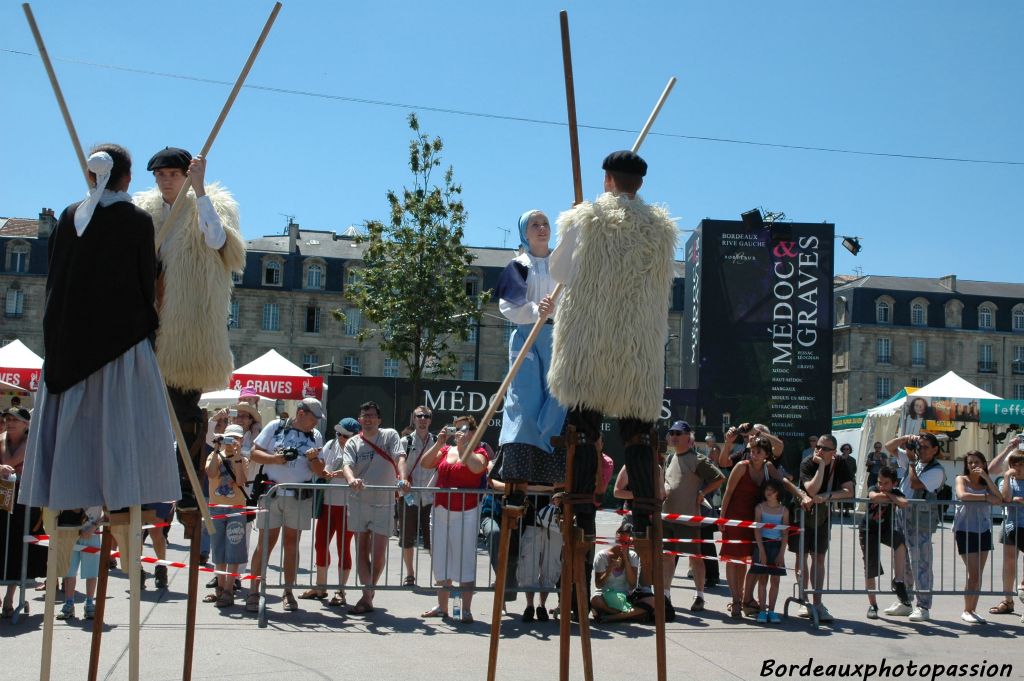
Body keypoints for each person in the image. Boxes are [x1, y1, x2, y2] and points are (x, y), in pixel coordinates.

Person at [547, 150, 677, 628]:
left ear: (606, 179)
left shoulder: (586, 217)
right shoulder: (661, 229)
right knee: (641, 441)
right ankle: (646, 576)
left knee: (582, 439)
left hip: (589, 347)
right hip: (637, 354)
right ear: (639, 184)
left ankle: (578, 585)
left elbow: (560, 272)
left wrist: (583, 228)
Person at [19, 144, 180, 523]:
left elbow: (54, 280)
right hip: (121, 342)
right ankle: (122, 496)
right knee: (120, 421)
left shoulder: (71, 215)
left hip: (69, 344)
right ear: (127, 177)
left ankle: (71, 497)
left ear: (91, 176)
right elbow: (144, 284)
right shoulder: (137, 220)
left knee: (77, 424)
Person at [133, 146, 245, 519]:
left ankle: (186, 480)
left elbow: (218, 242)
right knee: (144, 409)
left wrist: (200, 192)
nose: (166, 180)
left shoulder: (207, 206)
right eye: (160, 175)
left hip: (188, 324)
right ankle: (144, 481)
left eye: (173, 174)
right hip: (148, 317)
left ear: (186, 175)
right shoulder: (142, 213)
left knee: (183, 406)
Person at [495, 209, 568, 487]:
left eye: (545, 223)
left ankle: (552, 450)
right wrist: (537, 309)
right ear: (525, 232)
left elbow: (575, 293)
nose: (541, 228)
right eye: (535, 224)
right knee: (524, 398)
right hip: (528, 336)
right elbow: (508, 306)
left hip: (557, 335)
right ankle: (521, 457)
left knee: (558, 394)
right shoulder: (518, 265)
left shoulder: (562, 262)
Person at [246, 398, 325, 613]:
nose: (315, 423)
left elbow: (320, 471)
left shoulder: (315, 436)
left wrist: (313, 460)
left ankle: (288, 591)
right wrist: (274, 459)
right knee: (265, 543)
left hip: (299, 496)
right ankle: (254, 590)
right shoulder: (275, 427)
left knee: (292, 544)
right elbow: (254, 453)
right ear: (300, 413)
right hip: (271, 494)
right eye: (313, 418)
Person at [720, 435, 803, 619]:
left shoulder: (769, 468)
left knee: (748, 560)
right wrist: (722, 518)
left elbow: (783, 483)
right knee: (733, 559)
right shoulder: (742, 466)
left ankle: (743, 599)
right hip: (735, 516)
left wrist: (800, 495)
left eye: (758, 451)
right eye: (751, 450)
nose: (753, 454)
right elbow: (728, 492)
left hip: (756, 518)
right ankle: (735, 601)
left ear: (767, 455)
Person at [341, 401, 409, 615]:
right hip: (359, 501)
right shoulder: (353, 442)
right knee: (361, 549)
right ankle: (367, 595)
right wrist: (352, 479)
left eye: (371, 415)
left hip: (385, 501)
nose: (368, 418)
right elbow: (346, 465)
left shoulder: (390, 435)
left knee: (378, 553)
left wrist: (403, 479)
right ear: (359, 420)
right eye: (364, 415)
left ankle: (367, 592)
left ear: (379, 419)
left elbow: (400, 456)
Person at [419, 416, 489, 622]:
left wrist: (464, 447)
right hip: (441, 510)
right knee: (440, 558)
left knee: (465, 559)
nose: (460, 432)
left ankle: (465, 609)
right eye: (456, 428)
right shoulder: (446, 450)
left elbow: (477, 468)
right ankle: (442, 606)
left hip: (466, 512)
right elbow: (425, 463)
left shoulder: (480, 452)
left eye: (465, 429)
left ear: (474, 433)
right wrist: (440, 442)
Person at [659, 420, 724, 612]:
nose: (674, 436)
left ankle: (700, 595)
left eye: (678, 433)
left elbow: (719, 478)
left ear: (688, 437)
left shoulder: (698, 459)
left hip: (688, 518)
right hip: (667, 517)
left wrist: (702, 494)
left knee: (695, 558)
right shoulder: (669, 458)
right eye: (672, 433)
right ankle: (665, 595)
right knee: (667, 557)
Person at [883, 432, 947, 622]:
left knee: (922, 563)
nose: (921, 450)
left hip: (920, 518)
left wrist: (911, 462)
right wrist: (905, 439)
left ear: (935, 449)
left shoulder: (937, 470)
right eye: (920, 446)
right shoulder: (916, 461)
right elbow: (889, 447)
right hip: (903, 515)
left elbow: (915, 482)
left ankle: (923, 606)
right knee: (903, 562)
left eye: (926, 447)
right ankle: (905, 601)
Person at [792, 433, 854, 623]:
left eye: (825, 449)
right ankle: (804, 600)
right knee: (801, 556)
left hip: (823, 516)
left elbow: (848, 491)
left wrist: (827, 496)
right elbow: (811, 489)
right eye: (818, 446)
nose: (819, 450)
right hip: (803, 515)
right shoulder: (807, 462)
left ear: (833, 452)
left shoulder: (840, 464)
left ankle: (817, 602)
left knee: (819, 558)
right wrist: (820, 465)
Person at [308, 417, 360, 606]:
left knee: (343, 547)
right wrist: (314, 460)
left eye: (345, 435)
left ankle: (341, 590)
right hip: (328, 502)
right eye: (338, 433)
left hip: (348, 505)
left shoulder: (359, 448)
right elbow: (323, 469)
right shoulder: (331, 444)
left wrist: (341, 474)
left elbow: (360, 473)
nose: (340, 437)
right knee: (320, 544)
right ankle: (320, 586)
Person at [1, 407, 46, 617]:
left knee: (20, 546)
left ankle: (11, 598)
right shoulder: (0, 440)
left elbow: (40, 468)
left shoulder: (34, 443)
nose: (10, 423)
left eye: (15, 420)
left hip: (24, 502)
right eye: (8, 419)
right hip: (2, 499)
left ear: (26, 424)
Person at [952, 451, 1000, 624]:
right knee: (973, 574)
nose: (973, 465)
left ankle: (973, 609)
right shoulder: (961, 479)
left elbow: (1000, 498)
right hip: (965, 530)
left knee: (978, 574)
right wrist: (986, 497)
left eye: (977, 462)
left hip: (983, 529)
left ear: (983, 463)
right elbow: (963, 495)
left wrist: (987, 479)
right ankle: (966, 610)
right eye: (970, 462)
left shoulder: (985, 482)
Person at [203, 425, 249, 608]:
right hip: (216, 508)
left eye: (235, 438)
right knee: (218, 549)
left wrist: (237, 456)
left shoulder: (243, 459)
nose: (231, 442)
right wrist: (216, 449)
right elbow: (211, 473)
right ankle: (220, 589)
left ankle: (229, 589)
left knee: (234, 549)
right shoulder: (214, 455)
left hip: (236, 508)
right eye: (228, 438)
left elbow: (240, 481)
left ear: (241, 440)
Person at [859, 466, 910, 620]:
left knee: (900, 541)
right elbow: (874, 496)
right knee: (871, 567)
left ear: (894, 483)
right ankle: (873, 604)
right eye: (880, 482)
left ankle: (898, 580)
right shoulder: (874, 487)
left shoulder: (894, 491)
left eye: (886, 483)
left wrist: (889, 495)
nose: (881, 486)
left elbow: (904, 502)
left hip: (885, 530)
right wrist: (889, 495)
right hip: (868, 530)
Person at [398, 406, 438, 585]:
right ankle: (410, 574)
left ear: (430, 419)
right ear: (413, 419)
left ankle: (439, 575)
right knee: (407, 537)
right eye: (419, 416)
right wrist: (402, 481)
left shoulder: (438, 441)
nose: (423, 419)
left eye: (426, 416)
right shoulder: (405, 441)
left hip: (431, 497)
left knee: (434, 539)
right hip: (409, 496)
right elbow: (397, 466)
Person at [989, 445, 1024, 617]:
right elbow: (1006, 498)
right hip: (1011, 525)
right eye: (1014, 464)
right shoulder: (1006, 480)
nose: (1017, 468)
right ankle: (1008, 600)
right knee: (1009, 564)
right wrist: (1008, 477)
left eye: (1020, 464)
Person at [589, 521, 645, 623]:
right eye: (620, 540)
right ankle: (623, 615)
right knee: (595, 600)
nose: (622, 545)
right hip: (605, 594)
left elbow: (632, 584)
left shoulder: (632, 556)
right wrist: (610, 568)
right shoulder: (602, 556)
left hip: (624, 596)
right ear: (616, 537)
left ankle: (610, 616)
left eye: (626, 542)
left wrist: (625, 558)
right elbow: (598, 584)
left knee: (647, 606)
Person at [518, 495, 561, 624]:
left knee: (550, 566)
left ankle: (542, 605)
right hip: (531, 521)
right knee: (529, 566)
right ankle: (529, 606)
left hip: (555, 523)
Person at [751, 480, 789, 623]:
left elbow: (785, 533)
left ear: (778, 492)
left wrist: (781, 553)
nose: (769, 492)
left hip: (777, 546)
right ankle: (762, 610)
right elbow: (757, 530)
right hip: (763, 544)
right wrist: (761, 550)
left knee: (775, 579)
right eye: (767, 489)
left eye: (772, 490)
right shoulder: (759, 508)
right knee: (762, 578)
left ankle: (772, 610)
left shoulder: (784, 511)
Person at [56, 506, 103, 620]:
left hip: (92, 533)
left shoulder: (100, 489)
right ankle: (69, 603)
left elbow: (107, 512)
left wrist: (94, 526)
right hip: (70, 530)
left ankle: (89, 603)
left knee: (91, 572)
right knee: (69, 571)